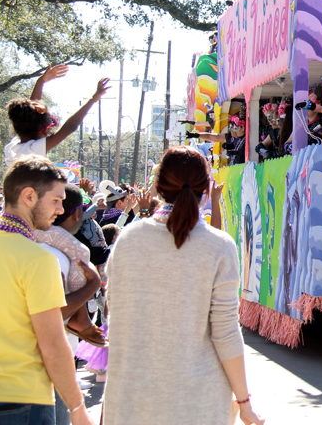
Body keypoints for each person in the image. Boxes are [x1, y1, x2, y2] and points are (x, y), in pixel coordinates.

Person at [102, 146, 264, 425]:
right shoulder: (219, 246)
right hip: (199, 405)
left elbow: (114, 318)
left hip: (129, 402)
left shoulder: (127, 240)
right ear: (206, 188)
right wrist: (244, 403)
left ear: (157, 186)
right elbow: (225, 333)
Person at [0, 156, 98, 425]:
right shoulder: (38, 260)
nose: (60, 209)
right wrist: (77, 408)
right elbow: (52, 342)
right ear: (29, 196)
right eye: (55, 200)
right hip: (23, 399)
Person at [32, 183, 108, 348]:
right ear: (76, 213)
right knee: (81, 251)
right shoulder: (53, 256)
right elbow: (51, 313)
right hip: (48, 352)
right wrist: (93, 285)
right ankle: (80, 318)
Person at [5, 70, 111, 164]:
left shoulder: (13, 147)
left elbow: (30, 113)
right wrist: (93, 99)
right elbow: (70, 126)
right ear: (43, 129)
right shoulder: (33, 150)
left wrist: (40, 82)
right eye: (50, 125)